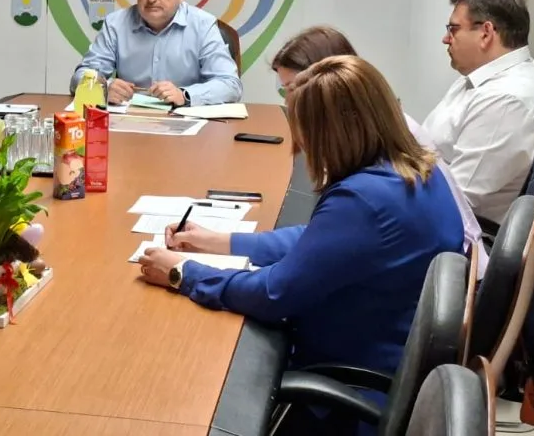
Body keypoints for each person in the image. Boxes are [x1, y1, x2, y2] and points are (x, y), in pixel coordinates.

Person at [138, 56, 464, 433]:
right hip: (386, 362)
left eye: (304, 129)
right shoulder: (415, 172)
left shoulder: (362, 200)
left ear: (332, 131)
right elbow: (320, 242)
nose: (302, 143)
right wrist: (219, 241)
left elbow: (273, 294)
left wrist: (183, 273)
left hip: (349, 393)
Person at [270, 26, 486, 276]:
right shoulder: (379, 124)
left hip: (451, 275)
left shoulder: (374, 150)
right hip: (443, 270)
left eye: (292, 90)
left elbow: (285, 284)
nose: (288, 103)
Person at [423, 0, 534, 224]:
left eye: (453, 29)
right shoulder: (480, 78)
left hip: (458, 230)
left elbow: (456, 200)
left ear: (486, 33)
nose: (446, 38)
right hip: (427, 197)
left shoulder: (507, 100)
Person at [70, 0, 241, 107]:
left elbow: (230, 84)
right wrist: (103, 88)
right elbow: (80, 77)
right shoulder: (116, 24)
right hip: (129, 121)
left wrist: (184, 95)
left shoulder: (203, 25)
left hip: (185, 121)